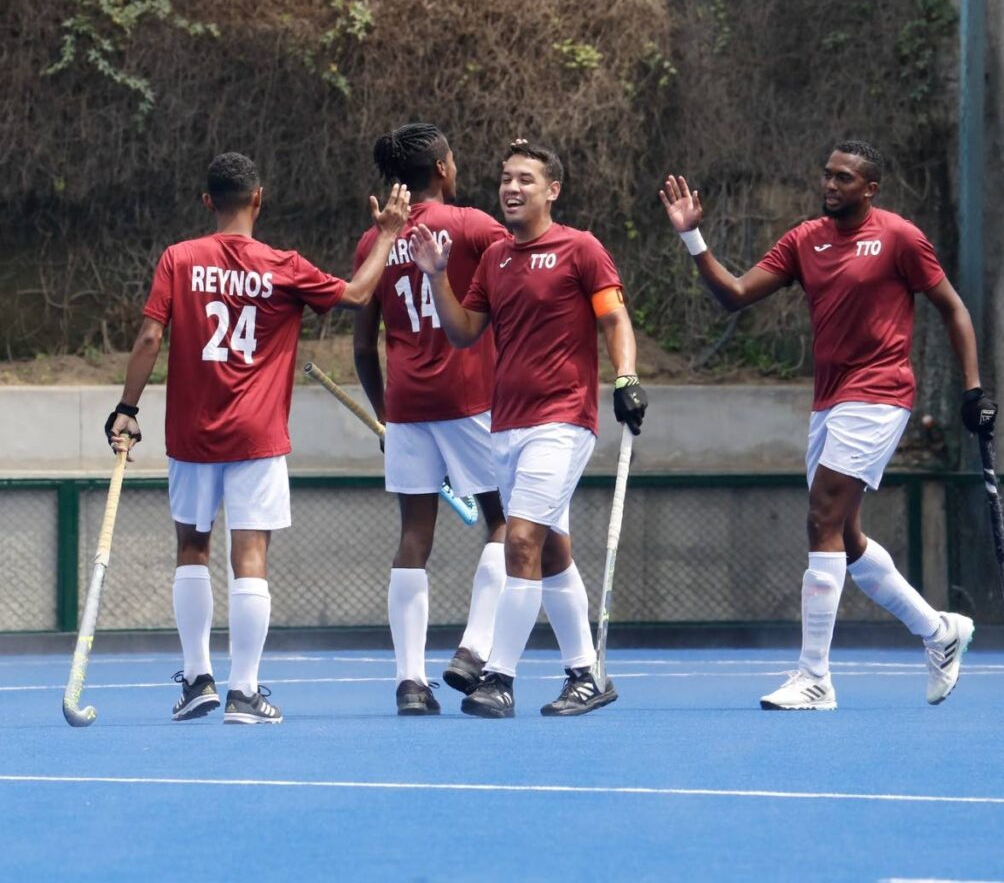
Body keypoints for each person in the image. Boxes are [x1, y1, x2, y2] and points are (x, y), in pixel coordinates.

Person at [658, 140, 997, 710]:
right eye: (827, 175)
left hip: (881, 391)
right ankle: (939, 632)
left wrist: (973, 390)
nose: (831, 184)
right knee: (846, 534)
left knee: (821, 517)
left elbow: (953, 308)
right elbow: (735, 295)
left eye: (844, 178)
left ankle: (814, 677)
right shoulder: (803, 240)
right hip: (830, 400)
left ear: (870, 188)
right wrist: (693, 237)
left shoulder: (900, 237)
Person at [105, 152, 409, 724]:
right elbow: (358, 295)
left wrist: (126, 408)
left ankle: (199, 682)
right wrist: (387, 235)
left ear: (207, 202)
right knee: (251, 557)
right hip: (257, 437)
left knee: (191, 549)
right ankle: (244, 692)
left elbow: (149, 336)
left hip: (191, 434)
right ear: (259, 199)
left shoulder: (178, 259)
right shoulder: (283, 265)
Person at [409, 140, 648, 718]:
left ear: (552, 191)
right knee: (553, 551)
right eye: (505, 179)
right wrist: (438, 277)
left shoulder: (581, 248)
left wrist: (626, 377)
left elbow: (614, 317)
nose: (511, 189)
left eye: (525, 180)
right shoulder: (495, 259)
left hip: (563, 422)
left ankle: (499, 677)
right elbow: (465, 331)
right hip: (505, 426)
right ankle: (586, 676)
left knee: (519, 541)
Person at [352, 123, 509, 716]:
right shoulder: (471, 224)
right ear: (442, 167)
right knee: (504, 524)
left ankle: (410, 682)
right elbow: (527, 249)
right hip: (473, 400)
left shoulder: (374, 239)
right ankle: (474, 648)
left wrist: (386, 417)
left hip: (409, 406)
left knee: (413, 538)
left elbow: (364, 347)